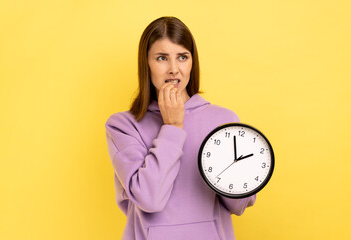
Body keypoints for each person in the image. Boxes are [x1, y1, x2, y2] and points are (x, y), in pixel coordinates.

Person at [105, 16, 256, 240]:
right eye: (162, 58)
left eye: (182, 57)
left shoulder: (224, 120)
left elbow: (239, 204)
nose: (174, 69)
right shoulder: (123, 126)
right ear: (146, 63)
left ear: (192, 62)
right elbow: (149, 199)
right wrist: (173, 126)